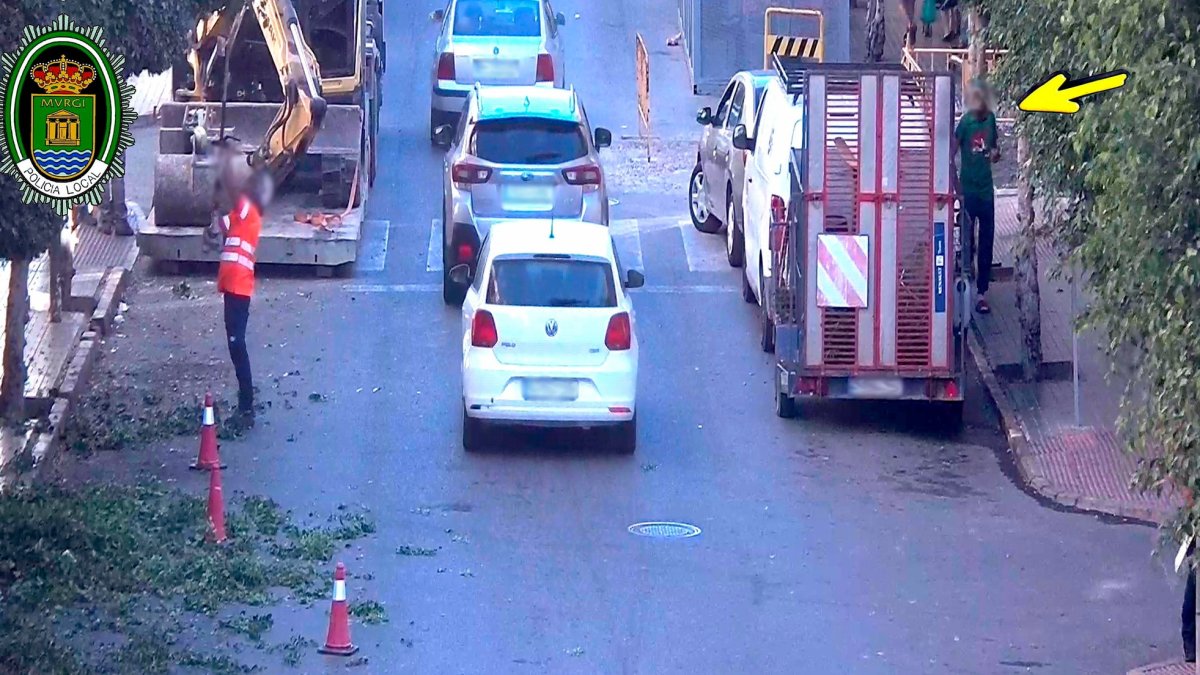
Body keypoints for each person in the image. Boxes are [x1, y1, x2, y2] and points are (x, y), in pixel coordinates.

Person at [211, 144, 272, 428]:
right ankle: (244, 402)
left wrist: (224, 165)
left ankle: (247, 406)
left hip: (239, 288)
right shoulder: (240, 214)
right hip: (231, 288)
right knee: (234, 345)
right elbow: (220, 226)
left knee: (237, 345)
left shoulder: (249, 210)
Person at [953, 80, 1000, 314]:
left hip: (986, 192)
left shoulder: (991, 120)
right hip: (969, 192)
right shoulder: (965, 124)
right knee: (967, 242)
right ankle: (965, 290)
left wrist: (994, 154)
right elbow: (949, 155)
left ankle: (982, 293)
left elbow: (995, 148)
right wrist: (956, 188)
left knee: (987, 243)